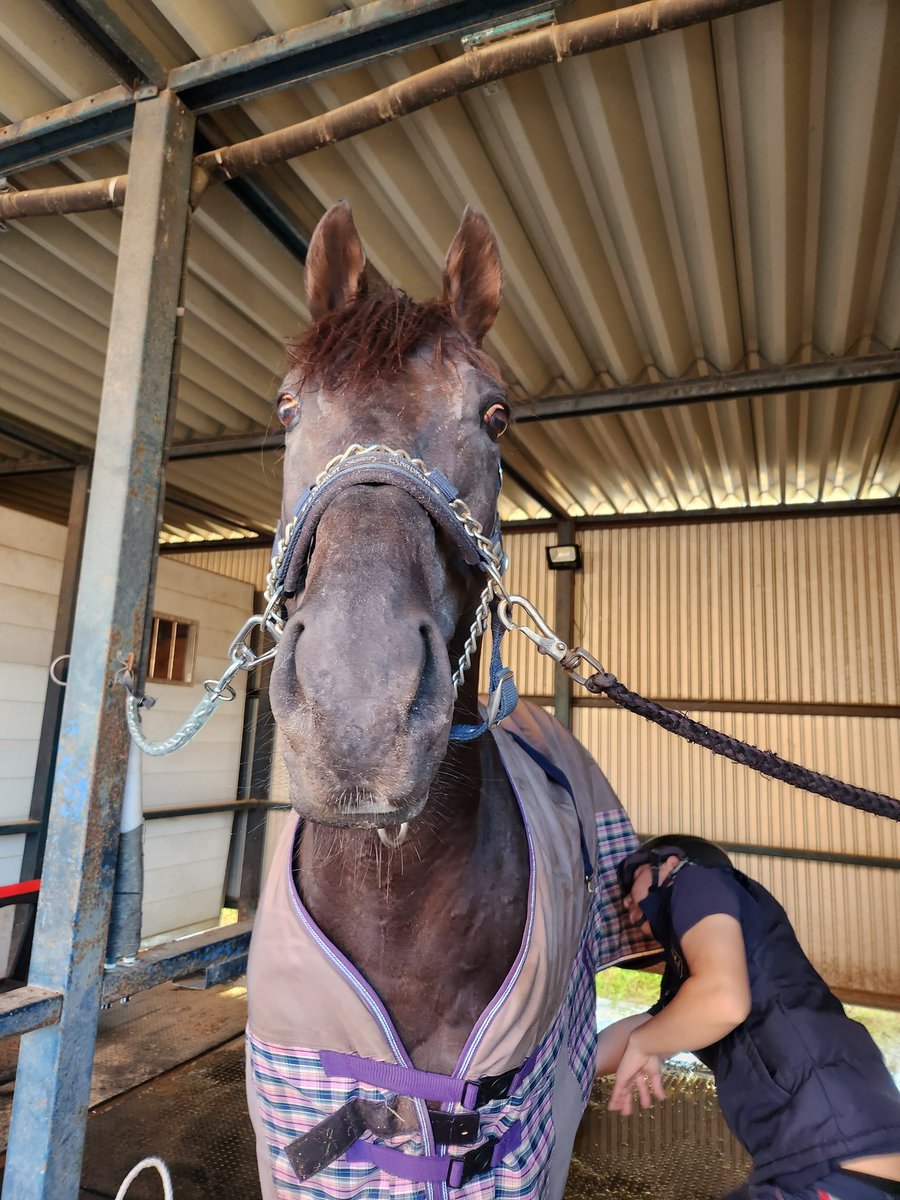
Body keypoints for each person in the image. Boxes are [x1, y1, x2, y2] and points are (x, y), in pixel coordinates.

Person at [596, 834, 900, 1200]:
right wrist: (554, 1069)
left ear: (671, 863)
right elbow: (638, 1036)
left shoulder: (696, 880)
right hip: (825, 1162)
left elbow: (722, 1003)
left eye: (635, 874)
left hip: (833, 1154)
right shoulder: (689, 984)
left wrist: (648, 1042)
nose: (626, 897)